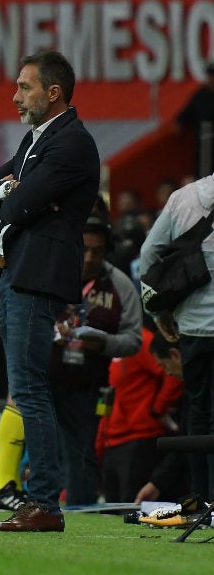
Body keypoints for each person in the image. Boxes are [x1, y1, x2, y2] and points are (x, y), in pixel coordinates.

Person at [0, 50, 100, 532]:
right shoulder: (37, 140)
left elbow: (17, 203)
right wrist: (7, 192)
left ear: (53, 92)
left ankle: (45, 502)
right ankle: (40, 500)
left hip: (37, 274)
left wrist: (11, 194)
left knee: (28, 387)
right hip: (16, 272)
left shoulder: (72, 143)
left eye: (23, 87)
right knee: (25, 386)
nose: (14, 96)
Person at [50, 215, 143, 506]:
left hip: (87, 386)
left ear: (107, 251)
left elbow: (134, 339)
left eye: (98, 251)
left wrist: (103, 342)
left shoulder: (120, 285)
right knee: (43, 451)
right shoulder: (51, 271)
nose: (89, 257)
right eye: (84, 248)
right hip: (44, 378)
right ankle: (34, 506)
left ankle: (78, 515)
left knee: (82, 455)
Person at [140, 170, 214, 503]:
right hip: (195, 327)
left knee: (199, 412)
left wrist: (158, 313)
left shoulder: (182, 198)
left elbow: (147, 255)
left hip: (195, 328)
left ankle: (202, 498)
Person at [100, 327, 184, 503]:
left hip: (139, 439)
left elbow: (175, 373)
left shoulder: (143, 341)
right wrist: (101, 442)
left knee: (131, 512)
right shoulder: (119, 345)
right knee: (110, 514)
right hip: (115, 440)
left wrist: (157, 408)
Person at [175, 62, 214, 178]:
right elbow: (187, 112)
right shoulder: (200, 95)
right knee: (203, 171)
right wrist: (179, 122)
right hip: (203, 141)